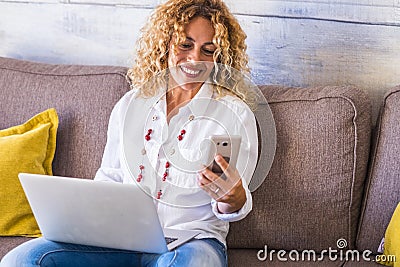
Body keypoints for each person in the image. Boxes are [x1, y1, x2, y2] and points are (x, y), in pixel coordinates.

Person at [1, 0, 258, 266]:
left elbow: (232, 207)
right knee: (23, 259)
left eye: (208, 50)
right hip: (120, 241)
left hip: (191, 243)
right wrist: (84, 216)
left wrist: (233, 198)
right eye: (185, 45)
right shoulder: (131, 104)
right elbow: (110, 177)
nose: (195, 59)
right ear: (165, 43)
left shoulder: (234, 114)